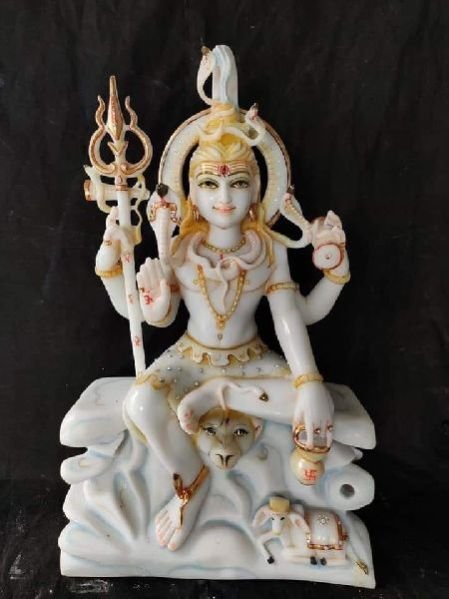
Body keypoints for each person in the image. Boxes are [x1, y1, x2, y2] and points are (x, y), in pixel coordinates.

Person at [93, 51, 350, 552]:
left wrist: (334, 276)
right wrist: (115, 267)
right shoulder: (181, 246)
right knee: (141, 402)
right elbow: (144, 316)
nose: (224, 198)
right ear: (192, 191)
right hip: (190, 356)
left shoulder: (270, 249)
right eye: (210, 184)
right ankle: (190, 484)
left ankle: (222, 393)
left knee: (311, 403)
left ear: (257, 190)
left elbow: (296, 317)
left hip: (250, 360)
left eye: (238, 183)